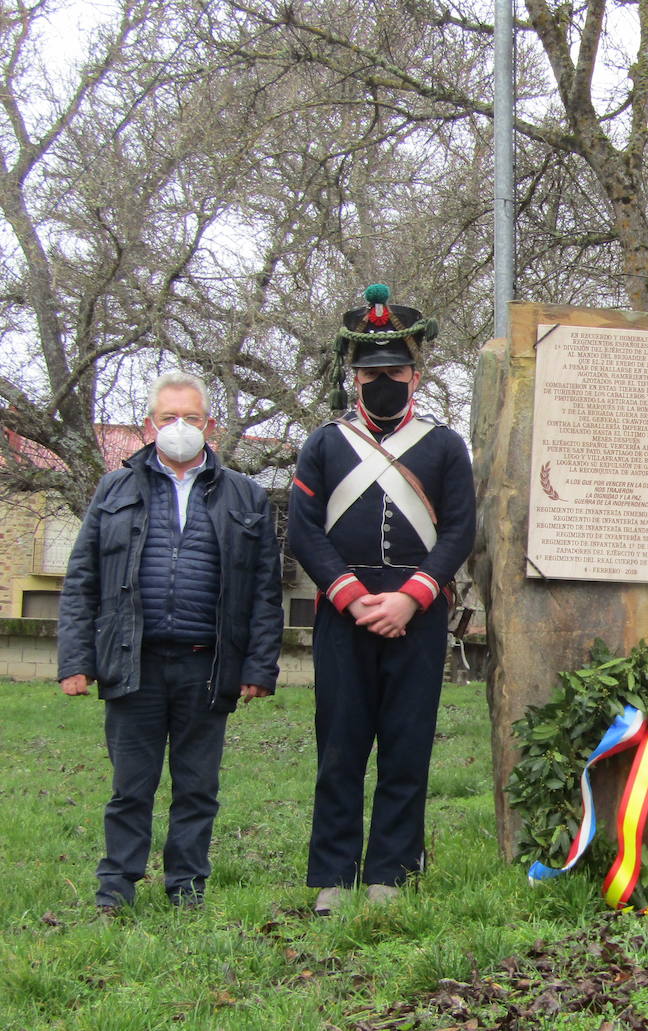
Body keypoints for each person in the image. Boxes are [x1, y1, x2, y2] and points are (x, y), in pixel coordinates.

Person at [57, 371, 283, 912]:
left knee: (197, 789)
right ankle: (116, 888)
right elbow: (81, 579)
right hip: (132, 663)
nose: (180, 427)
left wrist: (258, 667)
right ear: (148, 425)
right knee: (130, 788)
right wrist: (75, 660)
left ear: (212, 426)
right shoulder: (114, 489)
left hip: (207, 665)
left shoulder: (247, 495)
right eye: (168, 418)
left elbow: (264, 591)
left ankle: (187, 888)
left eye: (192, 417)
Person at [288, 284, 475, 914]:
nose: (381, 382)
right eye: (370, 373)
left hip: (417, 615)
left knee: (407, 746)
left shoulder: (446, 446)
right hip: (346, 614)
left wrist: (411, 599)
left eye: (393, 370)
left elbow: (459, 531)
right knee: (340, 746)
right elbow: (304, 530)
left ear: (415, 374)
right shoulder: (323, 444)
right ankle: (334, 875)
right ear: (353, 376)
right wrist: (352, 596)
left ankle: (392, 873)